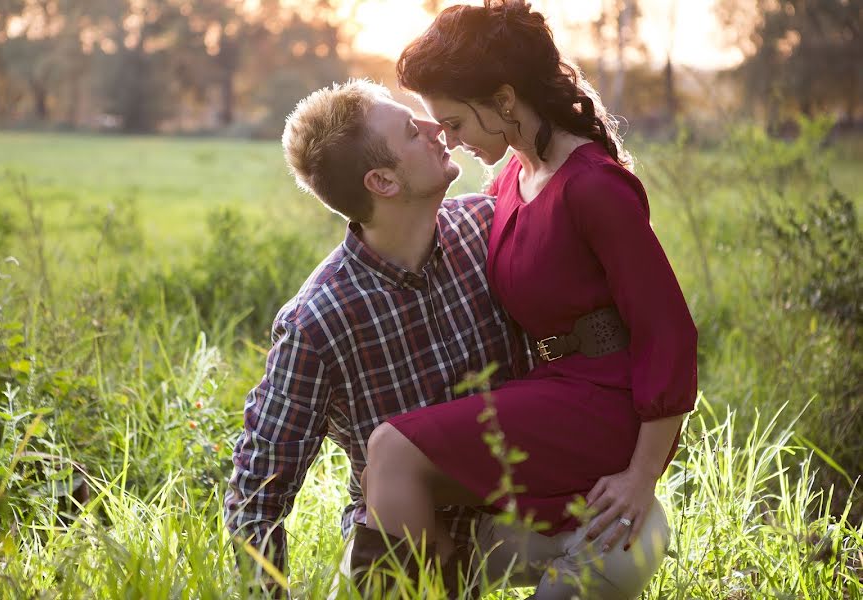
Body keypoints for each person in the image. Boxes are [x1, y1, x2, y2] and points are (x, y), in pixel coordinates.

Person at [360, 1, 698, 598]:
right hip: (549, 391)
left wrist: (642, 476)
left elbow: (667, 329)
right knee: (402, 465)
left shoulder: (594, 185)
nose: (454, 142)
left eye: (458, 124)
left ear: (505, 99)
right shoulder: (512, 178)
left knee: (393, 448)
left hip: (602, 407)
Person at [225, 78, 542, 597]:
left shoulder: (488, 229)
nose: (435, 128)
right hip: (397, 547)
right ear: (383, 182)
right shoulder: (318, 321)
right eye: (412, 132)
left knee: (631, 545)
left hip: (513, 511)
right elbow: (258, 494)